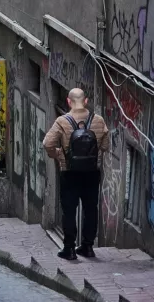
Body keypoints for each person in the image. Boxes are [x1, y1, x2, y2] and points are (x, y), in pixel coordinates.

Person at [42, 87, 110, 260]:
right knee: (90, 209)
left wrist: (57, 155)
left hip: (69, 172)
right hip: (92, 172)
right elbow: (105, 146)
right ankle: (87, 247)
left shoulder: (62, 122)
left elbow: (47, 143)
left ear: (68, 101)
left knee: (69, 211)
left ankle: (69, 249)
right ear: (86, 101)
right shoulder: (99, 120)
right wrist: (94, 157)